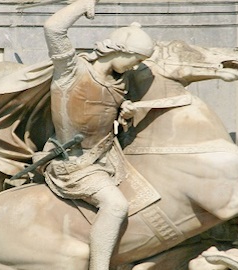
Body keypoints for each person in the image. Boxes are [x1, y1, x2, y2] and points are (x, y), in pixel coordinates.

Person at [39, 0, 154, 269]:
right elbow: (53, 28)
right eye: (136, 59)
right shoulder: (70, 70)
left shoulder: (120, 81)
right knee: (116, 206)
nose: (137, 66)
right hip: (74, 165)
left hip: (108, 158)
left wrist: (122, 112)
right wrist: (82, 5)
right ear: (119, 50)